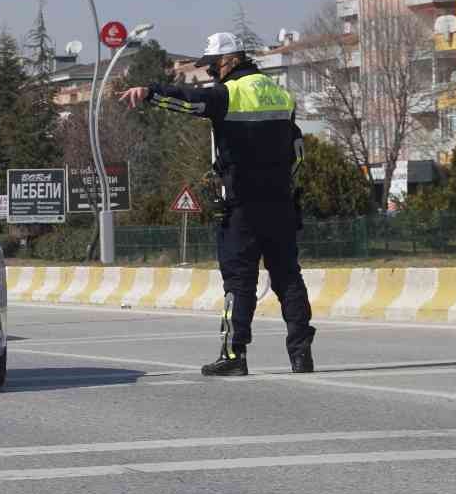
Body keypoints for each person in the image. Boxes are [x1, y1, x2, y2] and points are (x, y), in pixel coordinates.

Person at [119, 31, 315, 376]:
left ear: (231, 60)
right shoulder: (282, 95)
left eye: (212, 67)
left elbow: (190, 99)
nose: (211, 73)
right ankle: (301, 355)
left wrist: (150, 92)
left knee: (239, 282)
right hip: (281, 203)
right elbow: (297, 150)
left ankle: (234, 355)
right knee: (288, 277)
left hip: (243, 207)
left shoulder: (229, 93)